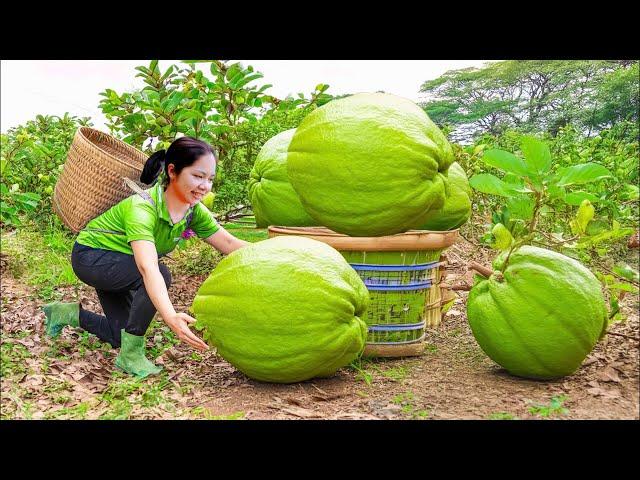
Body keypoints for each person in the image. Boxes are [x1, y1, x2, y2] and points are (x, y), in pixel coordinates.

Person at [42, 136, 249, 378]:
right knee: (160, 273)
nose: (205, 186)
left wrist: (282, 247)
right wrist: (170, 316)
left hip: (121, 263)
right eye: (198, 176)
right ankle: (131, 357)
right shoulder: (142, 208)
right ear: (173, 171)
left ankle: (63, 313)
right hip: (92, 258)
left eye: (210, 179)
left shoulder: (193, 212)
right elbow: (147, 268)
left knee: (119, 334)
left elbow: (229, 243)